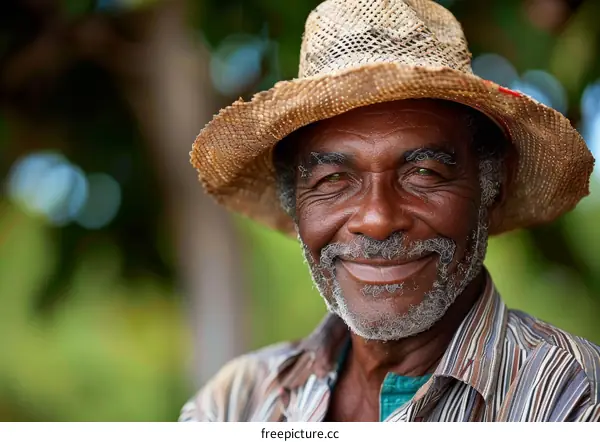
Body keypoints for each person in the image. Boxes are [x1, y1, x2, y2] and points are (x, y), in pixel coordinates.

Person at [179, 0, 600, 422]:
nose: (378, 220)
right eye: (332, 180)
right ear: (294, 203)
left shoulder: (576, 395)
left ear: (493, 186)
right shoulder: (234, 404)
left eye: (424, 172)